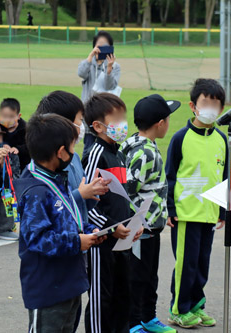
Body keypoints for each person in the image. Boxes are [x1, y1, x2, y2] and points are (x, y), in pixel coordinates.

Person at [16, 114, 106, 333]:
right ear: (60, 152)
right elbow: (38, 239)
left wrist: (89, 231)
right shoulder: (36, 190)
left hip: (69, 282)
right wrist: (77, 242)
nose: (75, 152)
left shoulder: (57, 178)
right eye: (73, 146)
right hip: (47, 288)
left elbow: (68, 218)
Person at [165, 78, 227, 329]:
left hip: (209, 213)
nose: (210, 107)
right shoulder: (180, 138)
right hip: (185, 214)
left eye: (216, 103)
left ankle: (196, 305)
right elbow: (169, 176)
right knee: (186, 264)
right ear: (193, 105)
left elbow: (222, 178)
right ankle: (178, 309)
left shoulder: (222, 139)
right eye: (205, 102)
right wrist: (170, 208)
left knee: (202, 263)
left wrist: (222, 211)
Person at [82, 92, 142, 333]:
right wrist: (110, 226)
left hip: (122, 240)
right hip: (101, 241)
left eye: (123, 118)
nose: (123, 124)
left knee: (122, 296)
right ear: (97, 126)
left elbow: (122, 197)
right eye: (116, 119)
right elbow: (86, 203)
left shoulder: (119, 153)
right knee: (100, 299)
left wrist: (133, 224)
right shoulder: (95, 154)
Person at [120, 94, 180, 333]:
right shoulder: (144, 152)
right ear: (160, 123)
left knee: (149, 277)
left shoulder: (139, 142)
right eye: (167, 118)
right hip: (140, 229)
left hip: (151, 227)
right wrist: (136, 222)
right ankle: (134, 323)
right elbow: (129, 190)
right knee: (138, 278)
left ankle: (148, 317)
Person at [35, 91, 110, 270]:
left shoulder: (75, 157)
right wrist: (80, 194)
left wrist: (91, 194)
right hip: (60, 247)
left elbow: (80, 206)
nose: (81, 126)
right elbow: (53, 205)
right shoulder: (47, 165)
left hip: (79, 244)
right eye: (78, 120)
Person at [78, 31, 121, 156]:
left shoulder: (115, 66)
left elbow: (109, 86)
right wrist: (90, 57)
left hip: (106, 111)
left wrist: (109, 69)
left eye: (105, 46)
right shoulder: (88, 63)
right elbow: (81, 73)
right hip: (88, 110)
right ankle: (87, 172)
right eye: (98, 46)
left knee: (106, 146)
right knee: (89, 146)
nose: (101, 49)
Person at [0, 98, 30, 170]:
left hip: (21, 166)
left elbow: (31, 146)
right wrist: (2, 145)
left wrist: (18, 149)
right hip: (1, 165)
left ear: (19, 116)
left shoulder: (26, 129)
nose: (8, 120)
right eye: (4, 116)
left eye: (12, 117)